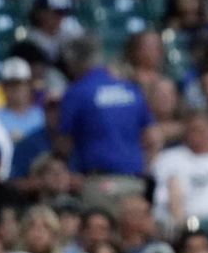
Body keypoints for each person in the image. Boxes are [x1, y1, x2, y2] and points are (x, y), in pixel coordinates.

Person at [56, 36, 152, 209]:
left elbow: (63, 143)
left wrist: (70, 171)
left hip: (98, 183)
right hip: (134, 181)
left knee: (100, 232)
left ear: (73, 61)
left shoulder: (77, 92)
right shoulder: (129, 89)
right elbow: (151, 136)